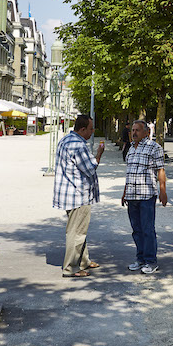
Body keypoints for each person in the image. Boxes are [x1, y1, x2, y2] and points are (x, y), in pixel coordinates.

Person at [53, 114, 105, 278]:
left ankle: (83, 261)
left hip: (69, 193)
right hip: (78, 194)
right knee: (76, 232)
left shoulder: (66, 140)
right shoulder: (78, 145)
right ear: (82, 129)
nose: (92, 132)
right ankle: (71, 267)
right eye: (90, 129)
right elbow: (90, 168)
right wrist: (98, 155)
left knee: (79, 229)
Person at [121, 120, 167, 274]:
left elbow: (160, 170)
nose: (134, 133)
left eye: (137, 130)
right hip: (132, 196)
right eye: (133, 130)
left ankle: (150, 261)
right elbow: (129, 173)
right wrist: (125, 192)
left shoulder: (154, 148)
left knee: (147, 229)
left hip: (146, 195)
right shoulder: (131, 149)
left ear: (146, 132)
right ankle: (140, 259)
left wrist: (163, 190)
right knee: (136, 230)